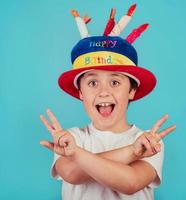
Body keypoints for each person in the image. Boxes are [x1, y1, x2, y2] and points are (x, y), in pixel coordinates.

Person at [39, 5, 176, 200]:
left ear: (132, 90)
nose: (104, 91)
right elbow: (71, 174)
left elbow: (131, 183)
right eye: (93, 83)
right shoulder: (69, 138)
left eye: (115, 82)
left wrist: (76, 154)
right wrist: (131, 152)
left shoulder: (149, 141)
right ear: (80, 93)